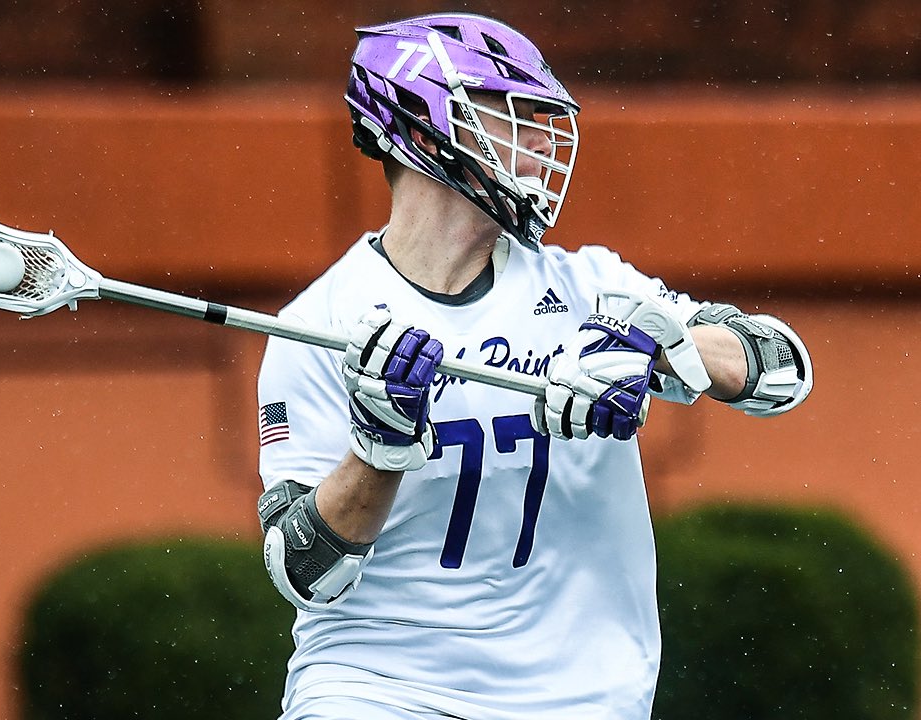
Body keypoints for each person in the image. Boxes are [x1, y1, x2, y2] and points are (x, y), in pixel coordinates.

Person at [255, 12, 812, 720]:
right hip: (378, 689)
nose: (541, 143)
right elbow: (306, 572)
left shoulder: (593, 289)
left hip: (579, 697)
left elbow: (784, 371)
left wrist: (657, 345)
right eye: (509, 118)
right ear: (421, 132)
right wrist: (380, 447)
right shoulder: (318, 326)